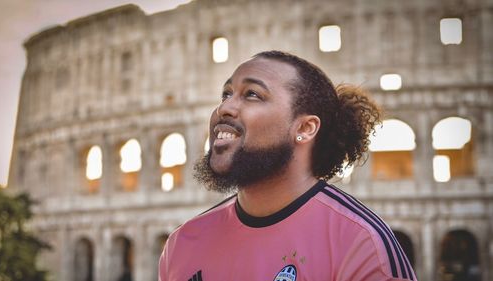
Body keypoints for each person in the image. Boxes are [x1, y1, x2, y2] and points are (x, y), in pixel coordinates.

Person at [158, 50, 417, 281]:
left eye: (252, 94)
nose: (224, 107)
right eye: (226, 94)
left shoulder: (362, 245)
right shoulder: (183, 243)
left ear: (304, 128)